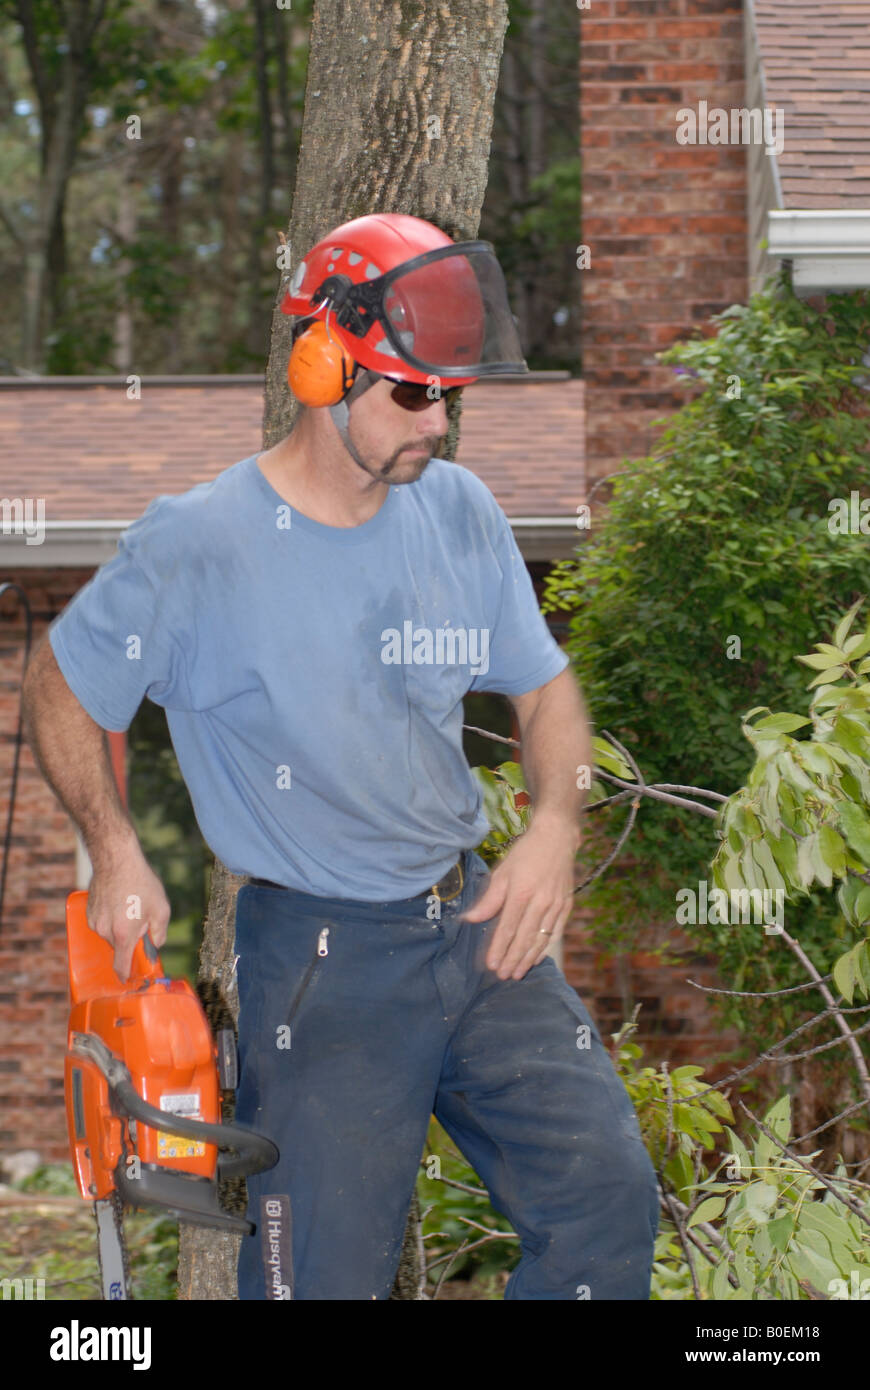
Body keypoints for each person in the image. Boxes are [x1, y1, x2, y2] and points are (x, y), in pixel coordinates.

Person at [23, 212, 659, 1301]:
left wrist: (554, 824)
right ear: (325, 363)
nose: (439, 423)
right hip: (324, 961)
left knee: (607, 1202)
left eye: (450, 395)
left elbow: (545, 687)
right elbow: (60, 681)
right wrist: (117, 850)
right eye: (413, 393)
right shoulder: (203, 543)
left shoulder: (458, 512)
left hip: (472, 927)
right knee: (321, 1280)